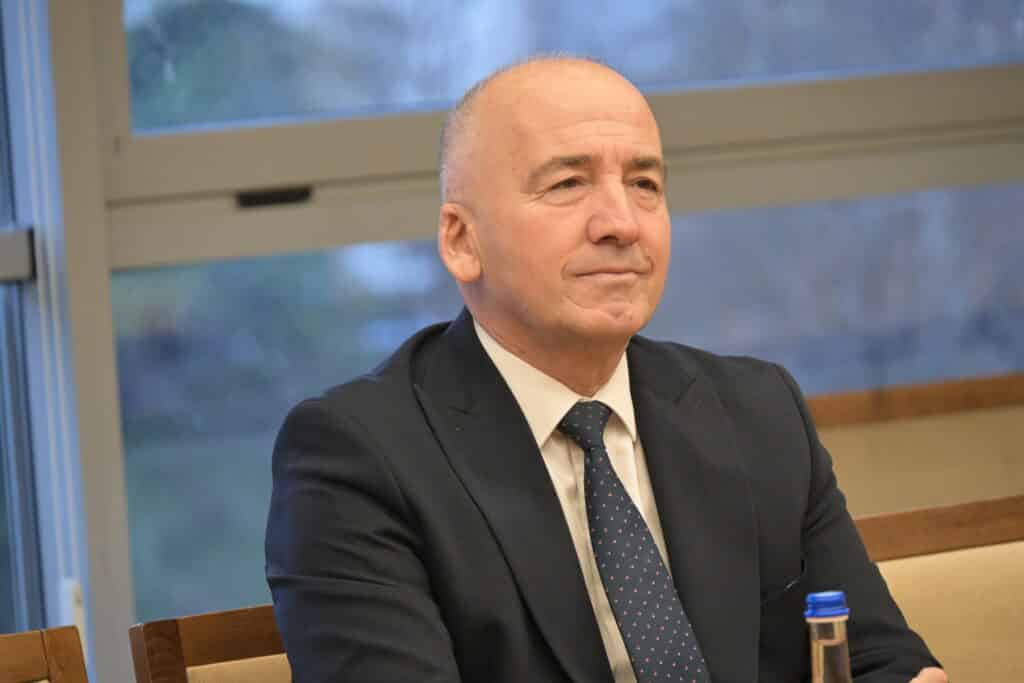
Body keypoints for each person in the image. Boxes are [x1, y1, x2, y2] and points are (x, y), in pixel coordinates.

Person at [265, 57, 946, 683]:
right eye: (568, 183)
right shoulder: (358, 457)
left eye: (645, 184)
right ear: (462, 240)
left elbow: (881, 658)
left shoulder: (757, 411)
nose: (622, 223)